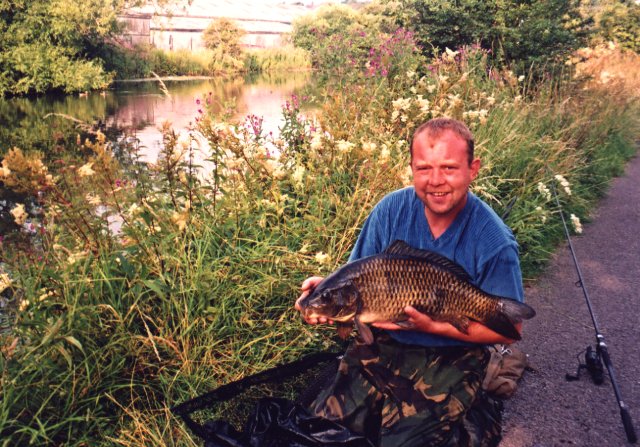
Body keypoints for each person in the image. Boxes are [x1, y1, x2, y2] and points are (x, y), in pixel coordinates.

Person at [295, 117, 525, 447]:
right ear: (412, 169)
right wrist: (322, 295)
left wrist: (434, 327)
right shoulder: (389, 210)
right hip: (384, 342)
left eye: (449, 168)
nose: (436, 181)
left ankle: (471, 419)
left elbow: (511, 332)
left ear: (473, 169)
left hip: (454, 351)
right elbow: (357, 274)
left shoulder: (494, 241)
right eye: (424, 168)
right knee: (323, 430)